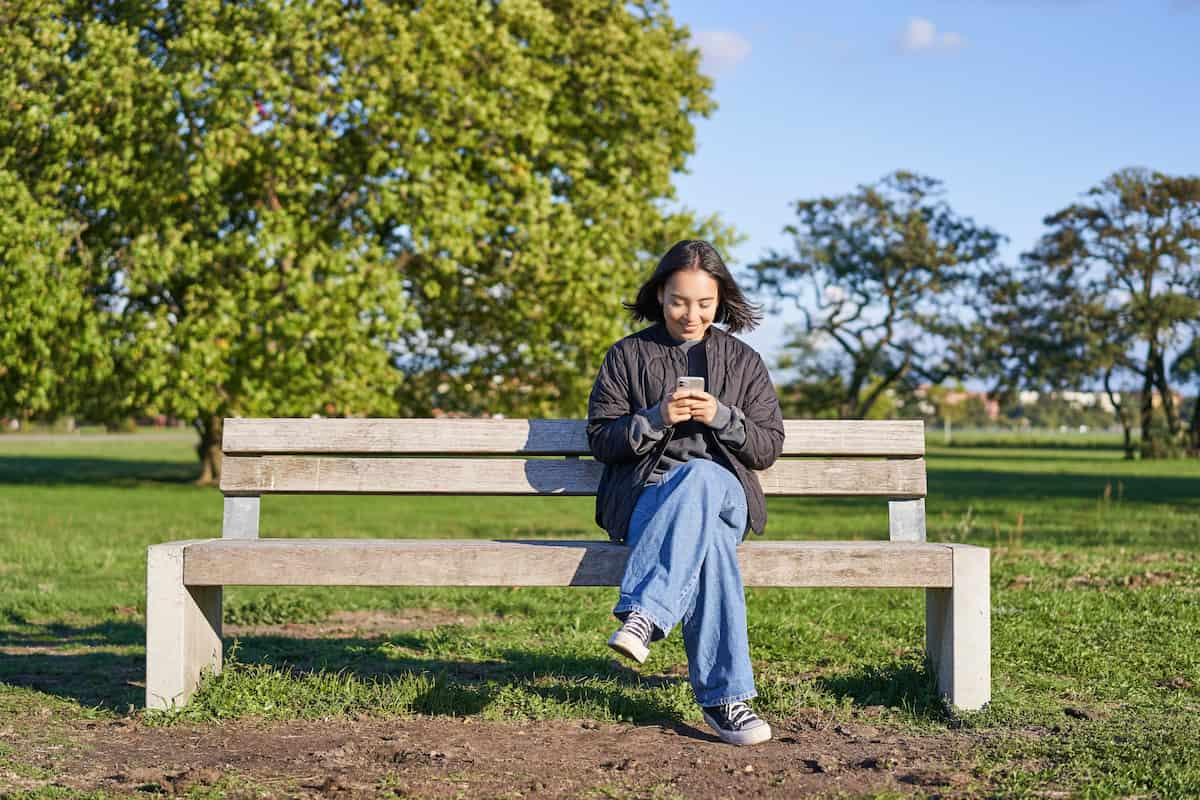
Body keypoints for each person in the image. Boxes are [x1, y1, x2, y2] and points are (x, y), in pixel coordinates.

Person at [586, 239, 785, 746]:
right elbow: (602, 440)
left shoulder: (743, 361)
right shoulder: (627, 356)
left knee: (701, 476)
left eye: (704, 303)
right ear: (659, 294)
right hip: (646, 499)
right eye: (679, 301)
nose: (691, 314)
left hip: (727, 495)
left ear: (720, 300)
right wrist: (655, 419)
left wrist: (722, 416)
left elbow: (766, 447)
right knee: (711, 544)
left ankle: (646, 613)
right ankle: (726, 702)